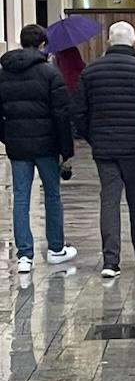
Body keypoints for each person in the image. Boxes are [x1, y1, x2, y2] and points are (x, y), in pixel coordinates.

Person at [72, 20, 135, 278]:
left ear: (109, 41)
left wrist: (93, 137)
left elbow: (78, 111)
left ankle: (111, 261)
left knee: (109, 201)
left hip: (105, 149)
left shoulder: (90, 71)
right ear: (133, 41)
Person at [0, 23, 76, 273]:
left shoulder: (4, 73)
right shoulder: (50, 73)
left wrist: (7, 137)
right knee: (52, 195)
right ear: (43, 44)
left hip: (18, 145)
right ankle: (55, 248)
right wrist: (66, 150)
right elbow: (61, 114)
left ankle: (25, 255)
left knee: (21, 197)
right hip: (47, 145)